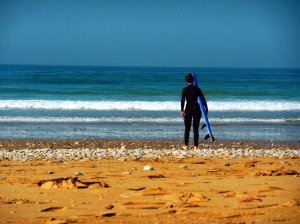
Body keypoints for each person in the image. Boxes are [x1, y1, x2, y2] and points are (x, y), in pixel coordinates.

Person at [181, 73, 208, 149]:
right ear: (193, 80)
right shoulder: (197, 89)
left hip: (188, 110)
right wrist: (206, 109)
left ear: (186, 80)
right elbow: (203, 100)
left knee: (187, 128)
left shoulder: (185, 90)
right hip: (196, 110)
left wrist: (182, 110)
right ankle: (196, 146)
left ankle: (186, 145)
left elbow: (182, 101)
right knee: (195, 129)